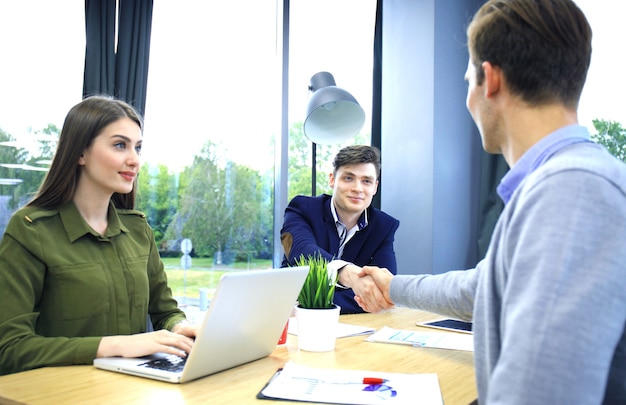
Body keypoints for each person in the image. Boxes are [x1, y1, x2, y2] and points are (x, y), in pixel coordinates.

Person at [357, 0, 626, 403]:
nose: (468, 99)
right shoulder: (562, 184)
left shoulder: (572, 192)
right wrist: (395, 286)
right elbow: (485, 287)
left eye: (468, 80)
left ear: (490, 79)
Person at [0, 96, 197, 376]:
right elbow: (10, 348)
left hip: (132, 389)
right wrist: (114, 345)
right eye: (120, 145)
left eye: (138, 148)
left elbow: (165, 311)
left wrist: (180, 327)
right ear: (80, 153)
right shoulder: (31, 230)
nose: (134, 160)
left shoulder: (138, 230)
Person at [280, 145, 400, 314]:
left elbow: (381, 292)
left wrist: (307, 303)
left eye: (366, 181)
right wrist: (348, 275)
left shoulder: (384, 226)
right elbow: (300, 252)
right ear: (332, 180)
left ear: (375, 187)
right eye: (348, 178)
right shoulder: (302, 209)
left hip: (351, 325)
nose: (358, 188)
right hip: (294, 323)